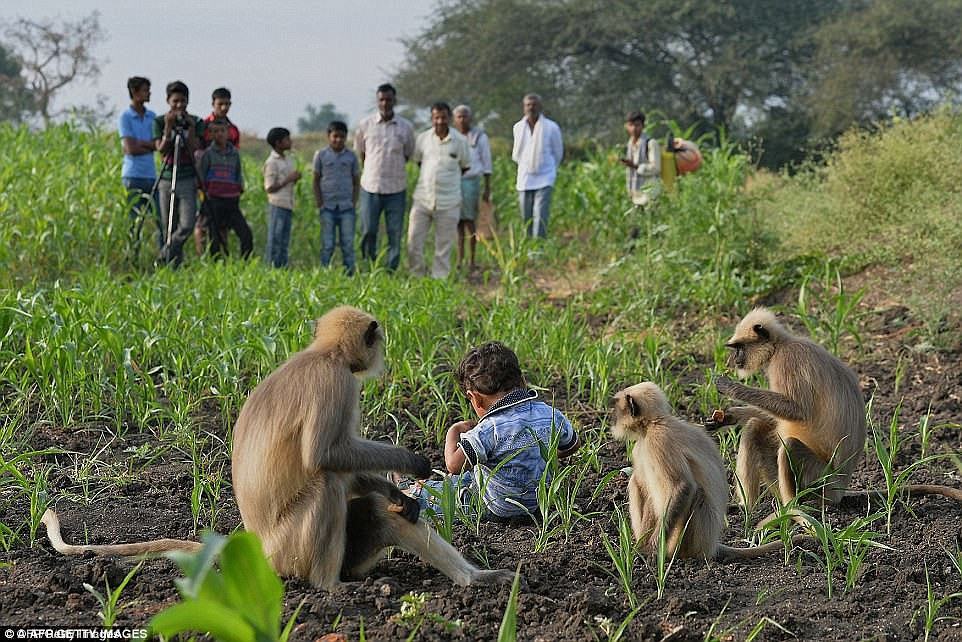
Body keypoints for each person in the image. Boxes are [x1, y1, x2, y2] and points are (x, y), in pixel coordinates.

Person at [399, 341, 580, 521]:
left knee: (447, 496)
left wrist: (454, 431)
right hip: (543, 502)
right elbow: (572, 445)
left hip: (497, 507)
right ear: (523, 382)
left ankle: (406, 492)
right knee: (470, 477)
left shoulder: (489, 429)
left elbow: (454, 465)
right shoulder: (550, 415)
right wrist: (535, 454)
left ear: (475, 398)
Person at [354, 83, 415, 271]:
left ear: (394, 101)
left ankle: (391, 269)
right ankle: (370, 266)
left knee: (394, 232)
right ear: (377, 101)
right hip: (371, 186)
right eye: (381, 100)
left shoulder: (406, 127)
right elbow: (361, 153)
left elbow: (408, 153)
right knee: (368, 230)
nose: (385, 103)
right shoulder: (365, 125)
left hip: (396, 188)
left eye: (389, 99)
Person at [407, 102, 470, 279]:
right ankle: (417, 276)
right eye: (436, 118)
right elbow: (420, 162)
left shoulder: (460, 141)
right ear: (431, 119)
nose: (440, 121)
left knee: (443, 246)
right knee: (413, 242)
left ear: (449, 118)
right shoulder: (423, 139)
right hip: (423, 199)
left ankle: (439, 280)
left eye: (443, 117)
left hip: (449, 201)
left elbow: (464, 166)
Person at [152, 80, 204, 266]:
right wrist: (168, 127)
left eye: (183, 101)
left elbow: (194, 148)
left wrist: (189, 128)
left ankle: (163, 255)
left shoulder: (196, 122)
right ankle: (173, 266)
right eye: (175, 101)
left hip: (188, 177)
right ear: (168, 101)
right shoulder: (159, 121)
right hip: (167, 179)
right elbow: (162, 150)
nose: (179, 105)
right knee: (168, 226)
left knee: (187, 224)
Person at [195, 87, 242, 256]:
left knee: (223, 224)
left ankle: (221, 256)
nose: (224, 107)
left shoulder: (233, 130)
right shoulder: (203, 125)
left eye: (227, 104)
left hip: (225, 185)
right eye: (220, 104)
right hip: (207, 182)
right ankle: (202, 256)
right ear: (213, 104)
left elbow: (234, 157)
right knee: (203, 222)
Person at [198, 118, 252, 259]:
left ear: (228, 133)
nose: (219, 134)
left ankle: (244, 263)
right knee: (215, 237)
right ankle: (216, 264)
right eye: (215, 131)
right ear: (211, 135)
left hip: (232, 201)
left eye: (222, 131)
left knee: (246, 234)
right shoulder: (208, 154)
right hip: (214, 200)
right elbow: (201, 178)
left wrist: (238, 189)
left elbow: (238, 174)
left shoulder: (234, 154)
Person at [511, 93, 563, 238]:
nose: (531, 108)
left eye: (534, 105)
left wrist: (550, 168)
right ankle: (527, 245)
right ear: (524, 108)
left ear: (540, 107)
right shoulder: (518, 127)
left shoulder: (551, 127)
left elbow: (558, 152)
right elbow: (517, 153)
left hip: (545, 176)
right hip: (525, 177)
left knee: (540, 214)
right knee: (526, 215)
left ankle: (539, 246)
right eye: (528, 105)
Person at [312, 120, 360, 274]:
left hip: (346, 207)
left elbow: (356, 181)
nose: (338, 140)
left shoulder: (351, 157)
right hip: (328, 207)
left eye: (342, 137)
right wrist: (319, 203)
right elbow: (315, 179)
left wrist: (353, 201)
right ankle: (325, 274)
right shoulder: (321, 155)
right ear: (329, 136)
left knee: (347, 244)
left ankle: (349, 276)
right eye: (335, 136)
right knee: (327, 245)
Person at [118, 76, 160, 250]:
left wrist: (141, 143)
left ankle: (163, 254)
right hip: (133, 176)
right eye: (145, 90)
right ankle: (132, 255)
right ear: (134, 93)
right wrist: (149, 145)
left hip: (151, 175)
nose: (149, 93)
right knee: (134, 221)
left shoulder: (152, 116)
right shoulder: (125, 116)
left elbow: (158, 144)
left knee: (161, 219)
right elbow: (130, 148)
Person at [453, 104, 492, 271]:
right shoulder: (451, 136)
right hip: (454, 182)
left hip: (471, 182)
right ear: (454, 119)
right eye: (459, 116)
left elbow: (487, 162)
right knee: (457, 223)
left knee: (469, 221)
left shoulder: (479, 137)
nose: (462, 120)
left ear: (470, 118)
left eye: (465, 116)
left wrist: (487, 187)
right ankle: (460, 259)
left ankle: (472, 259)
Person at [263, 127, 301, 268]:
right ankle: (271, 267)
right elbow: (269, 187)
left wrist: (294, 179)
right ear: (278, 143)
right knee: (275, 239)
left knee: (284, 240)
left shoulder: (288, 160)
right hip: (277, 203)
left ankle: (282, 267)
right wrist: (288, 179)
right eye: (287, 139)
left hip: (288, 203)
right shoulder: (272, 162)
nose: (290, 141)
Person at [620, 111, 661, 207]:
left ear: (643, 126)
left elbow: (656, 168)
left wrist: (635, 166)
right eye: (631, 125)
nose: (634, 128)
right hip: (636, 195)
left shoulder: (651, 143)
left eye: (637, 125)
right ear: (626, 126)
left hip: (650, 194)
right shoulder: (630, 145)